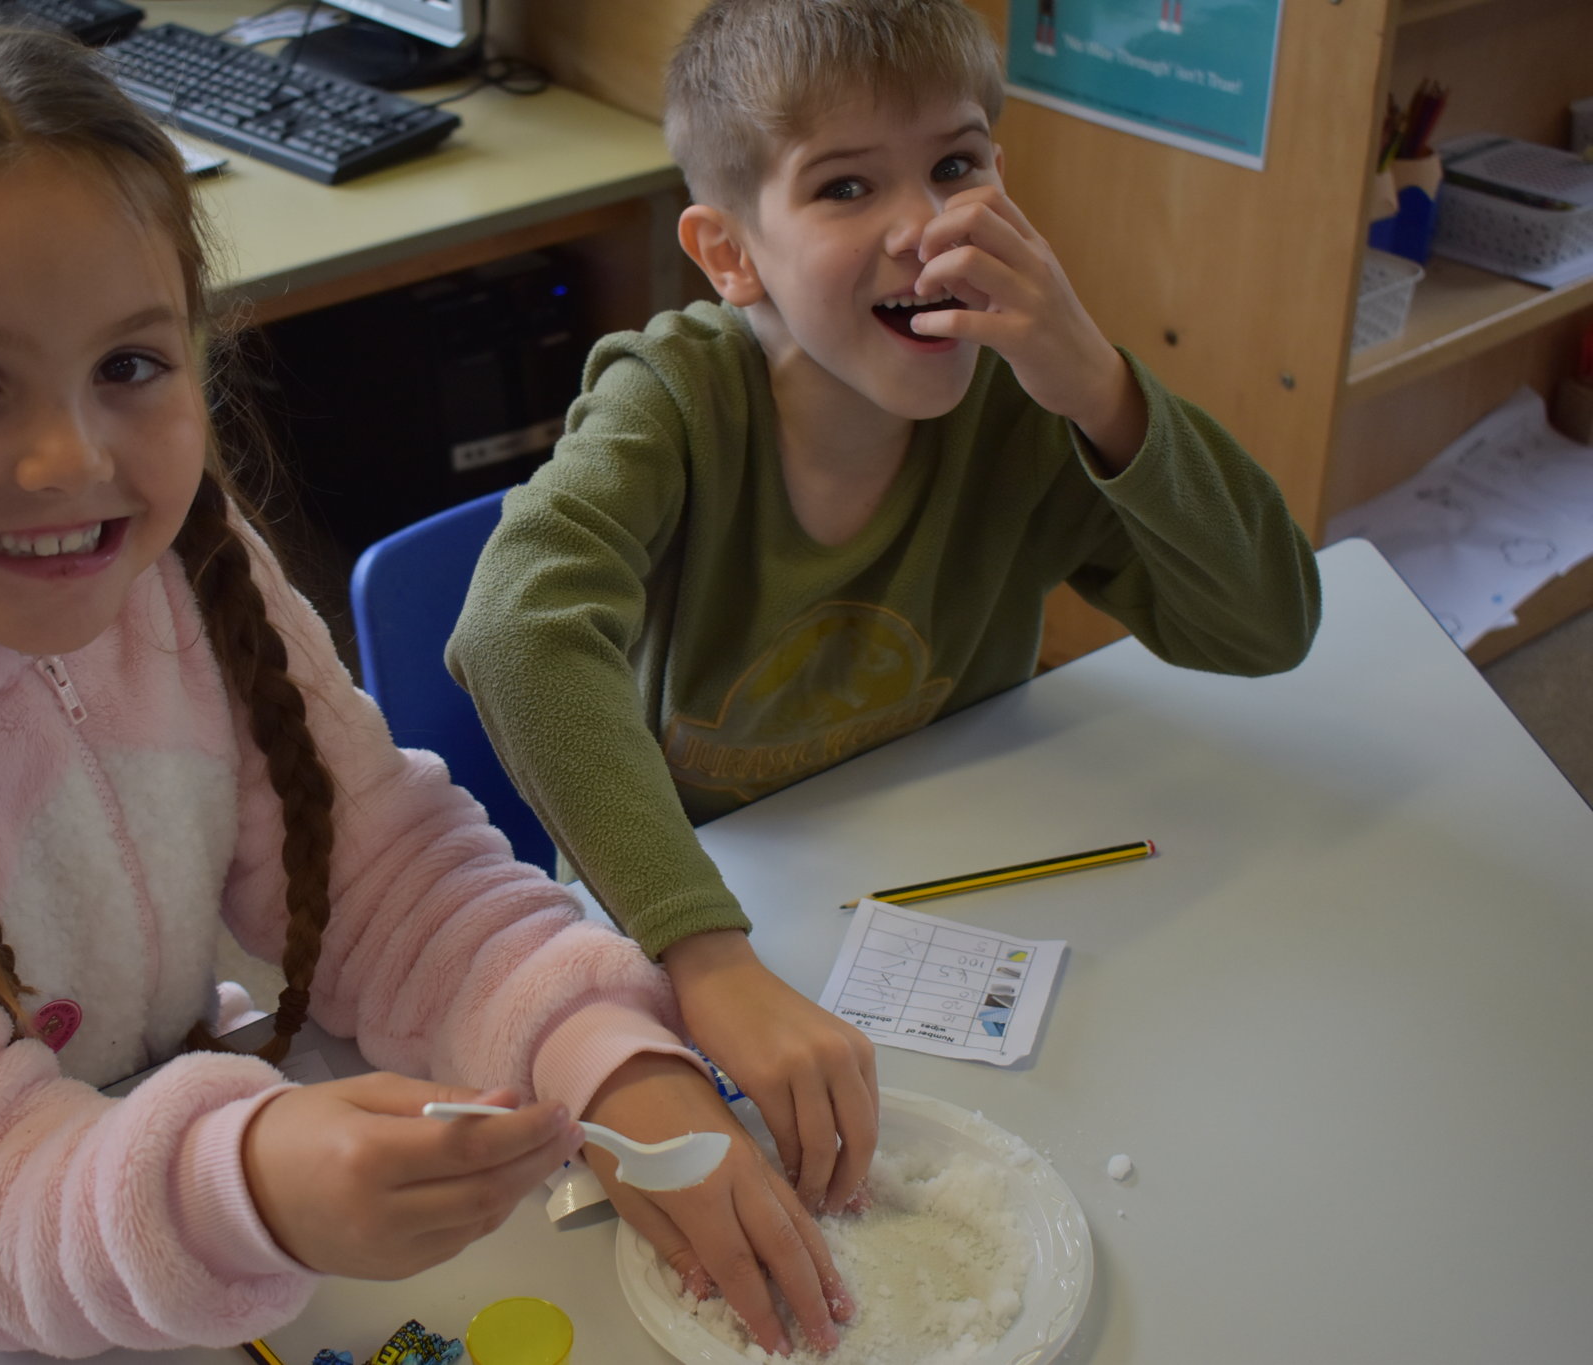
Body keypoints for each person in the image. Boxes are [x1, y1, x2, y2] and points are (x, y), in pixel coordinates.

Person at [0, 25, 852, 1358]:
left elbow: (384, 878)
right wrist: (244, 1183)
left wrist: (598, 1050)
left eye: (129, 365)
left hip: (142, 1161)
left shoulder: (173, 569)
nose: (71, 463)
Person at [449, 0, 1320, 1223]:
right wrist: (708, 959)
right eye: (846, 187)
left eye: (955, 165)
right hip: (692, 913)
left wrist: (1105, 392)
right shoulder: (675, 402)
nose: (924, 228)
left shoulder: (1026, 408)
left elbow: (1267, 628)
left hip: (940, 896)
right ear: (729, 253)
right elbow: (512, 632)